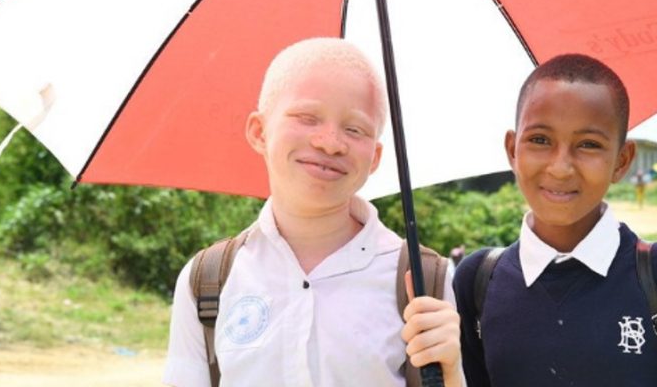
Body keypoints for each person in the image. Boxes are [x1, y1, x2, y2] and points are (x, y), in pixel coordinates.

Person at [162, 38, 462, 387]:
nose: (330, 143)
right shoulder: (208, 281)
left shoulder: (423, 282)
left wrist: (451, 373)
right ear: (259, 132)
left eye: (355, 129)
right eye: (307, 118)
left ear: (375, 158)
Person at [453, 54, 657, 386]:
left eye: (588, 144)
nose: (560, 168)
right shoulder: (477, 282)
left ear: (622, 160)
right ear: (513, 149)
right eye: (540, 140)